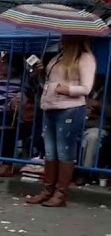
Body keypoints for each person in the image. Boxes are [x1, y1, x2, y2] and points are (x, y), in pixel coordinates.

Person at [27, 37, 96, 207]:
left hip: (70, 108)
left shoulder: (85, 58)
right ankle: (48, 190)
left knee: (65, 151)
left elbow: (86, 88)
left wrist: (66, 89)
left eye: (65, 37)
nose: (61, 40)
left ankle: (60, 193)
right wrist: (40, 72)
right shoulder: (59, 56)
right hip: (50, 107)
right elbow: (49, 83)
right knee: (50, 151)